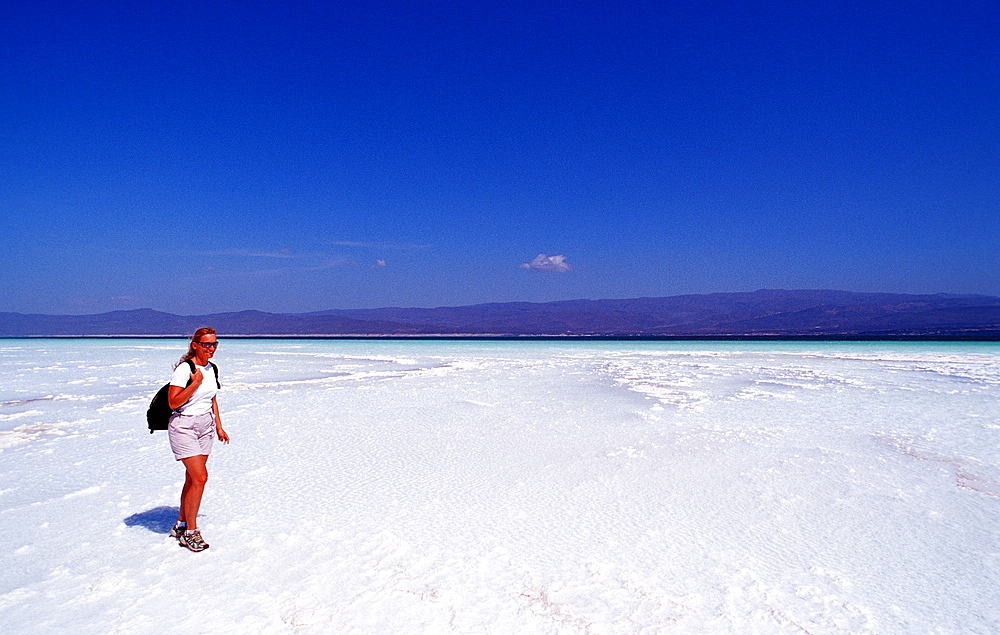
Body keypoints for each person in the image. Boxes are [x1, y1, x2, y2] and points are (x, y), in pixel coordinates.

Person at [166, 327, 229, 552]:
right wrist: (193, 384)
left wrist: (219, 427)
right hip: (184, 426)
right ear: (195, 345)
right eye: (206, 344)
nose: (211, 348)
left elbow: (212, 399)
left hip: (205, 426)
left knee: (192, 479)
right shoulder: (185, 369)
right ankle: (191, 533)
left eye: (214, 344)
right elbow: (172, 402)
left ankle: (181, 524)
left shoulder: (212, 368)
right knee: (200, 478)